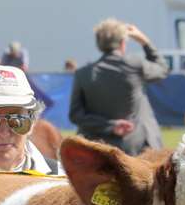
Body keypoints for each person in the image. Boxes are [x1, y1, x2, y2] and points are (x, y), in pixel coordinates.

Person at [69, 19, 167, 156]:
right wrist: (145, 42)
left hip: (97, 152)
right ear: (123, 43)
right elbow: (162, 68)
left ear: (99, 44)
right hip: (138, 150)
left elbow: (75, 116)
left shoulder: (83, 74)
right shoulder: (135, 65)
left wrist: (109, 125)